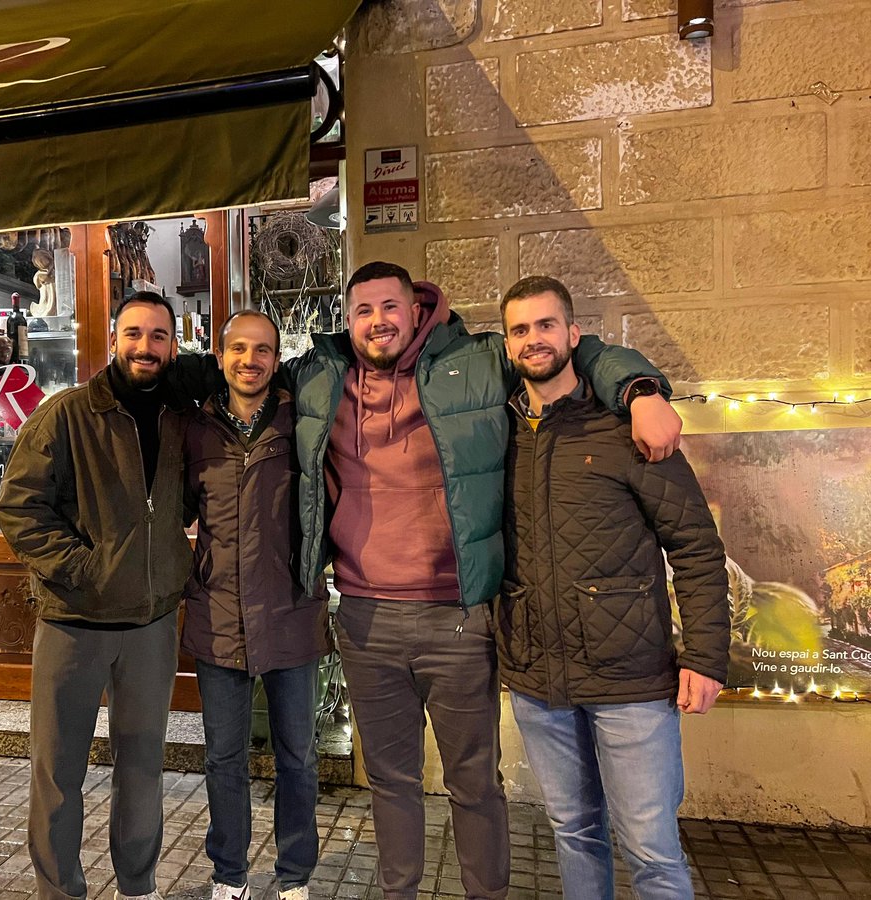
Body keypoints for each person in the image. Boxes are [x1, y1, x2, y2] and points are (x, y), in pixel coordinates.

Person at [283, 261, 683, 900]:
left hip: (460, 616)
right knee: (389, 781)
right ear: (348, 319)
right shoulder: (320, 377)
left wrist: (641, 390)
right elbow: (238, 373)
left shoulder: (478, 359)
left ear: (416, 308)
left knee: (474, 782)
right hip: (363, 617)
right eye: (363, 311)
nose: (378, 321)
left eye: (390, 306)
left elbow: (574, 350)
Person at [496, 275, 729, 900]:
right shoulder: (499, 434)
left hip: (631, 678)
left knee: (651, 847)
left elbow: (696, 546)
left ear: (575, 334)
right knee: (573, 831)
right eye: (520, 329)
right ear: (508, 344)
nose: (534, 339)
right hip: (538, 678)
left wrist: (706, 657)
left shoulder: (625, 427)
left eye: (547, 325)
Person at [0, 291, 193, 900]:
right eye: (133, 333)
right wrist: (83, 568)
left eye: (158, 336)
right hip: (74, 623)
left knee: (143, 770)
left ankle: (138, 885)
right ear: (112, 340)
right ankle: (59, 891)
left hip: (150, 625)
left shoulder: (181, 418)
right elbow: (19, 508)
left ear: (173, 346)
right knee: (58, 773)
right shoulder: (66, 414)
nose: (144, 347)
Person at [182, 309, 331, 900]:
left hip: (291, 612)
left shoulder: (303, 425)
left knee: (298, 757)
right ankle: (230, 875)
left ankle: (294, 875)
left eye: (263, 349)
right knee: (224, 759)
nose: (250, 360)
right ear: (220, 357)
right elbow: (176, 511)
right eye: (239, 348)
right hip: (218, 617)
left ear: (277, 357)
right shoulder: (196, 429)